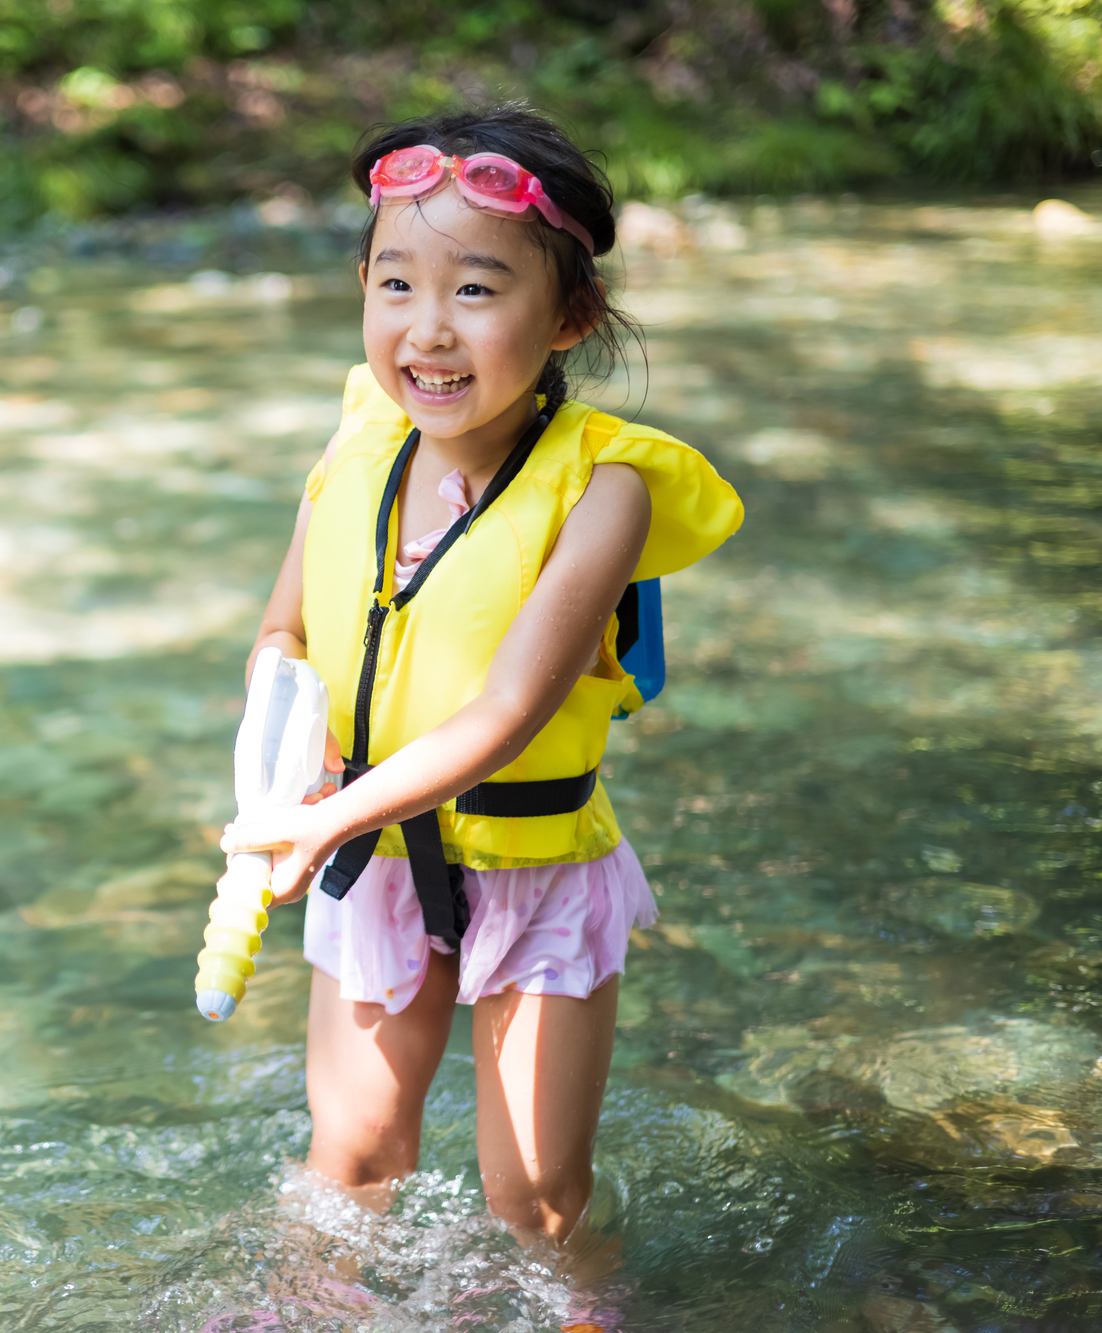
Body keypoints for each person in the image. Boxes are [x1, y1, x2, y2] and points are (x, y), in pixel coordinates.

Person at [220, 105, 744, 1259]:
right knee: (348, 1154)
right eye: (394, 284)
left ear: (568, 316)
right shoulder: (356, 446)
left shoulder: (605, 489)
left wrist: (331, 816)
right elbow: (284, 627)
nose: (427, 331)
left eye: (474, 290)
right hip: (370, 857)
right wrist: (277, 740)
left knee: (534, 1197)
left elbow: (509, 715)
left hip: (534, 867)